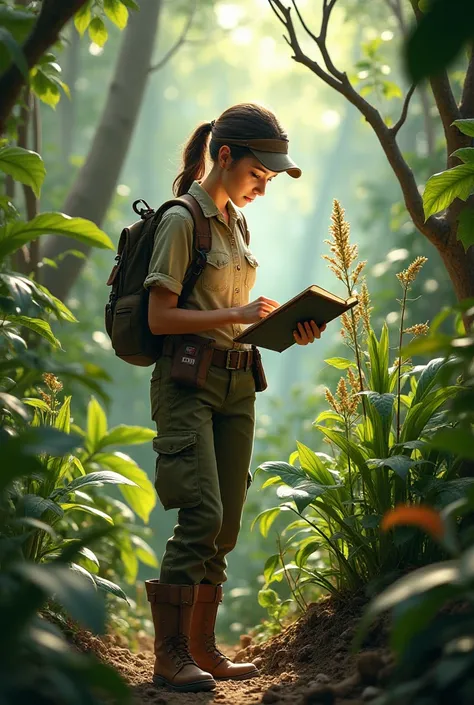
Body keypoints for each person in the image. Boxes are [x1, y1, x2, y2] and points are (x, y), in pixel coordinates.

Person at [143, 103, 326, 693]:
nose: (262, 189)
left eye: (269, 181)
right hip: (186, 383)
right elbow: (161, 316)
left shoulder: (237, 224)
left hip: (238, 382)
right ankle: (169, 655)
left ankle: (202, 649)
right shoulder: (181, 221)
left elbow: (231, 321)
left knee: (225, 528)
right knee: (201, 515)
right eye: (258, 175)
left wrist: (283, 327)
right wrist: (240, 312)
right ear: (225, 156)